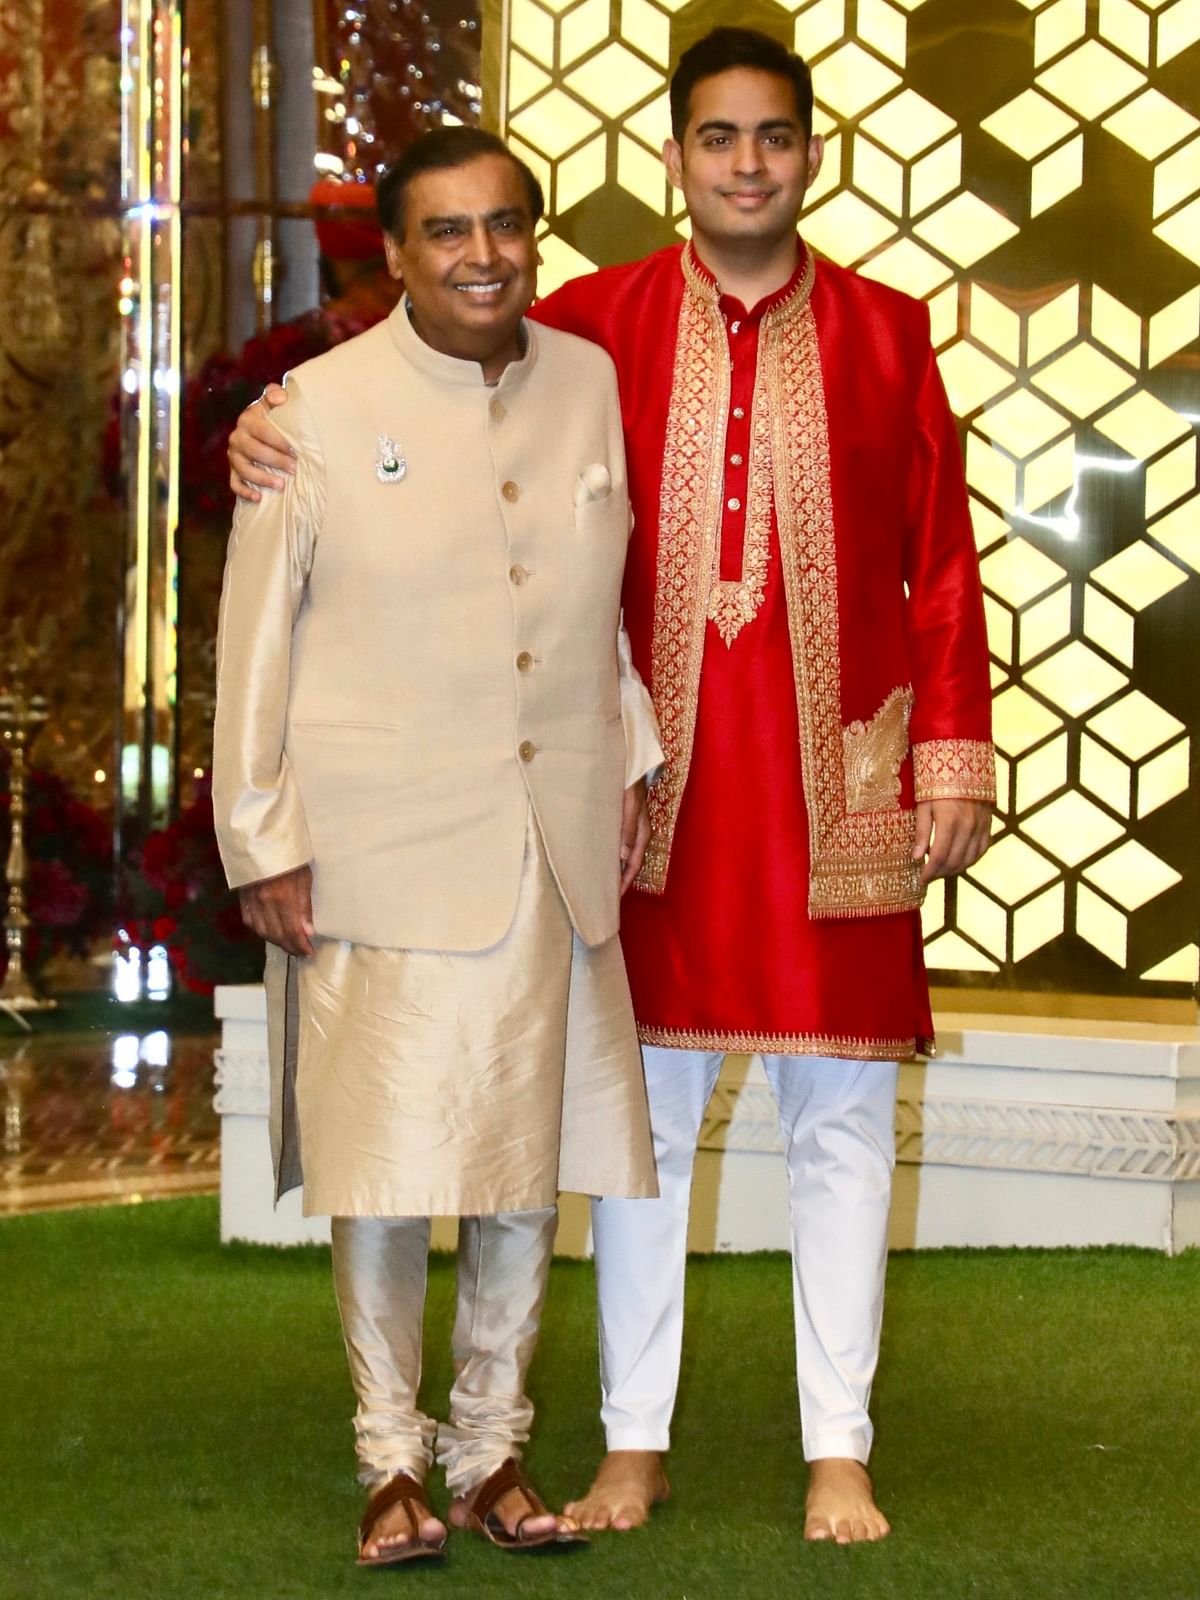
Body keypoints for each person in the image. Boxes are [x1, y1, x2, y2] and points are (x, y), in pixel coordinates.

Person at [228, 28, 995, 1546]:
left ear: (813, 152)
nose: (748, 163)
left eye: (773, 136)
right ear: (676, 157)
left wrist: (949, 757)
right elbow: (436, 406)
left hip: (838, 787)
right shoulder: (591, 324)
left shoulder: (890, 331)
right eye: (719, 138)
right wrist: (269, 427)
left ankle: (837, 1445)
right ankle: (629, 1441)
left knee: (840, 1117)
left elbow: (945, 563)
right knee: (633, 1115)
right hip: (653, 794)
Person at [213, 125, 664, 1567]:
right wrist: (260, 836)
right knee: (391, 1161)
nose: (485, 256)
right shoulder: (313, 410)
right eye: (450, 233)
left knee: (522, 1166)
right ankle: (388, 1463)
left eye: (507, 226)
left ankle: (493, 1455)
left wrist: (634, 754)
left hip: (549, 836)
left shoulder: (585, 382)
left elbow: (597, 602)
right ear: (397, 254)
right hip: (377, 843)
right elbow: (252, 646)